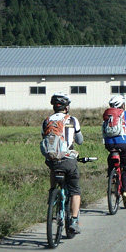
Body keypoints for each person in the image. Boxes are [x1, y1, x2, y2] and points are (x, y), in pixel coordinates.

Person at [41, 92, 84, 234]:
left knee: (53, 169)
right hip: (68, 160)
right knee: (75, 191)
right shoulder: (72, 120)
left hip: (52, 160)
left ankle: (52, 193)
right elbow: (79, 141)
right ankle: (74, 220)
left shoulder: (46, 121)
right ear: (66, 107)